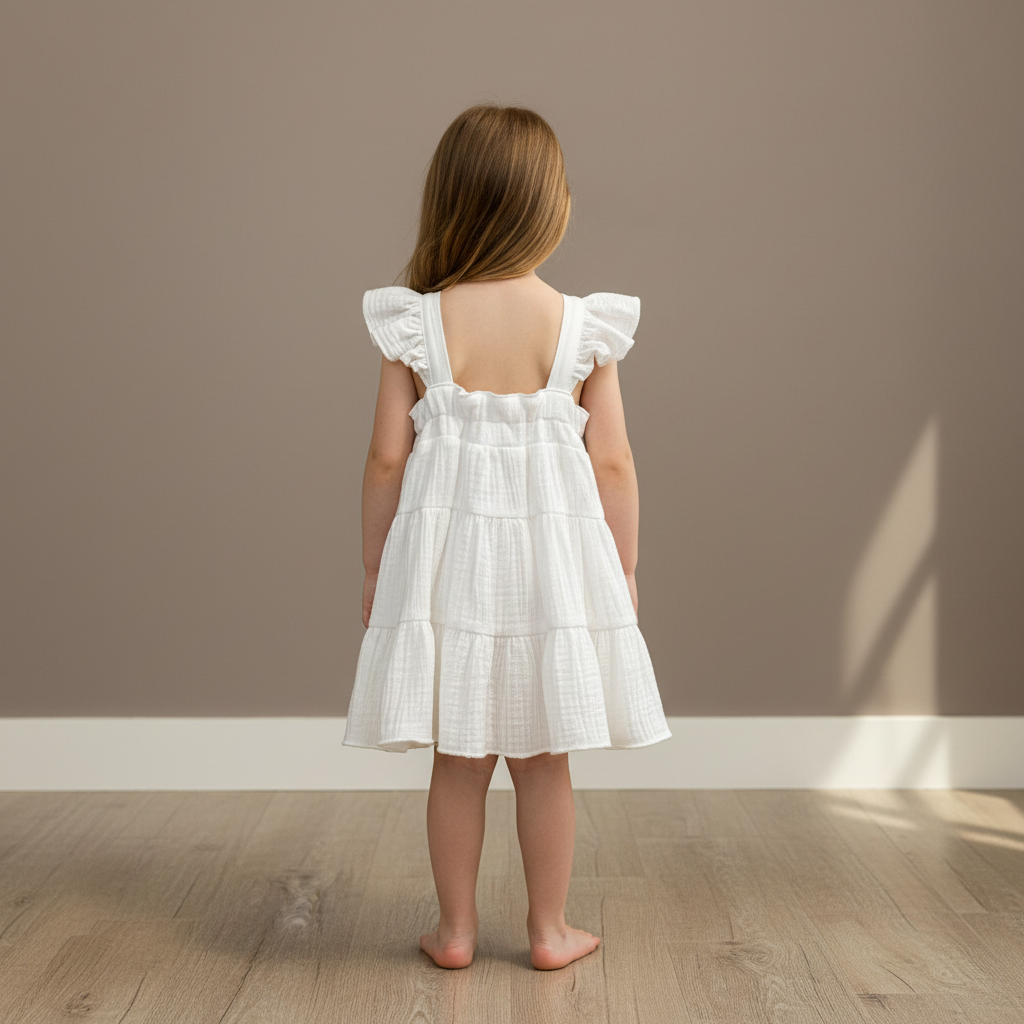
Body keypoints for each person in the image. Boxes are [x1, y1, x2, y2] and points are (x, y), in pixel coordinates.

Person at [343, 103, 672, 971]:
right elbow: (615, 465)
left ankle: (453, 933)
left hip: (446, 570)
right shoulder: (581, 326)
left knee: (458, 757)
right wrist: (624, 569)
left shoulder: (418, 324)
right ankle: (547, 930)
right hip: (554, 574)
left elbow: (385, 460)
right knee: (543, 758)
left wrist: (379, 567)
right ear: (545, 206)